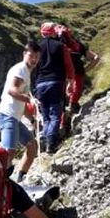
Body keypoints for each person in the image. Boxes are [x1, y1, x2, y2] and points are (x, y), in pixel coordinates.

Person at [0, 40, 40, 183]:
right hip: (7, 116)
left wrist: (32, 119)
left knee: (32, 146)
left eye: (36, 57)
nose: (34, 60)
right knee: (9, 152)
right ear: (24, 54)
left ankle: (19, 179)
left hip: (14, 118)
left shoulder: (26, 72)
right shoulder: (21, 69)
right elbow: (12, 90)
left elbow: (22, 103)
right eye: (31, 56)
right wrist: (29, 99)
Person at [34, 22, 75, 154]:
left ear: (42, 33)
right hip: (56, 82)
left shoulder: (37, 48)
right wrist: (70, 82)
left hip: (40, 84)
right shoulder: (61, 46)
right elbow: (68, 65)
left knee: (45, 116)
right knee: (55, 114)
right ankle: (51, 144)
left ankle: (47, 141)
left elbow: (34, 66)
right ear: (53, 32)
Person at [61, 30, 100, 114]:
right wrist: (85, 69)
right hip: (78, 72)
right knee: (75, 91)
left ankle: (67, 112)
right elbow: (96, 58)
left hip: (63, 73)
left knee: (67, 94)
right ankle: (72, 106)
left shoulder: (58, 45)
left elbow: (96, 58)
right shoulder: (78, 45)